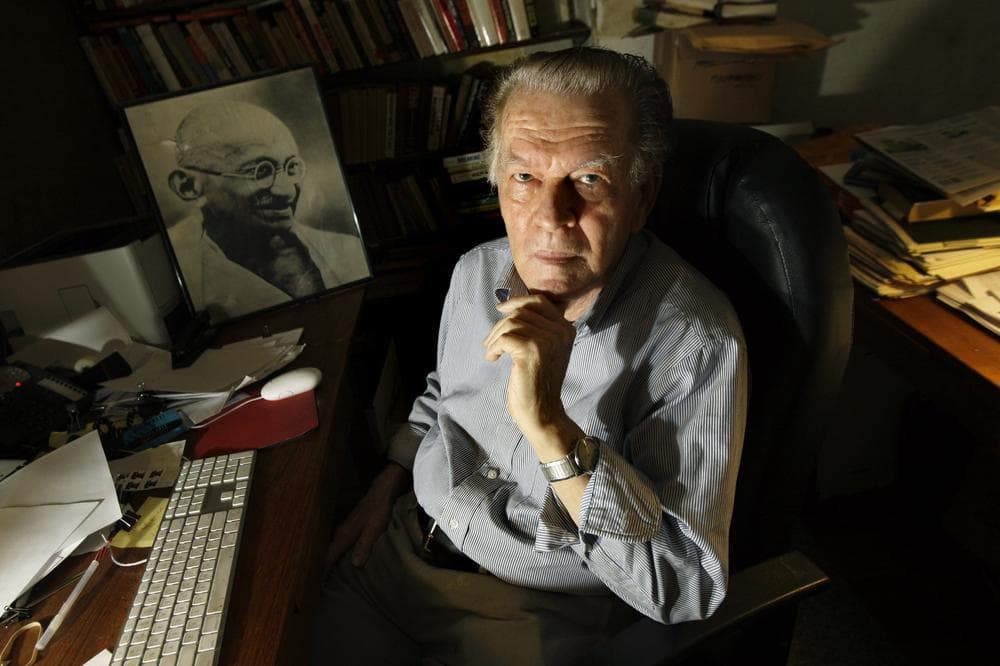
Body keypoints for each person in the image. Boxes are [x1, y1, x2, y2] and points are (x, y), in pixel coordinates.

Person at [315, 47, 747, 664]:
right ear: (497, 180)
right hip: (400, 554)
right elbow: (444, 392)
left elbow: (682, 587)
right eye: (525, 177)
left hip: (533, 609)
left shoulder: (697, 339)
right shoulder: (476, 272)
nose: (551, 217)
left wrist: (553, 431)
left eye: (589, 180)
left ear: (642, 193)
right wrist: (387, 482)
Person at [165, 100, 369, 321]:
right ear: (188, 186)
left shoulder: (351, 252)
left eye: (291, 168)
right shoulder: (182, 281)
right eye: (259, 172)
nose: (286, 192)